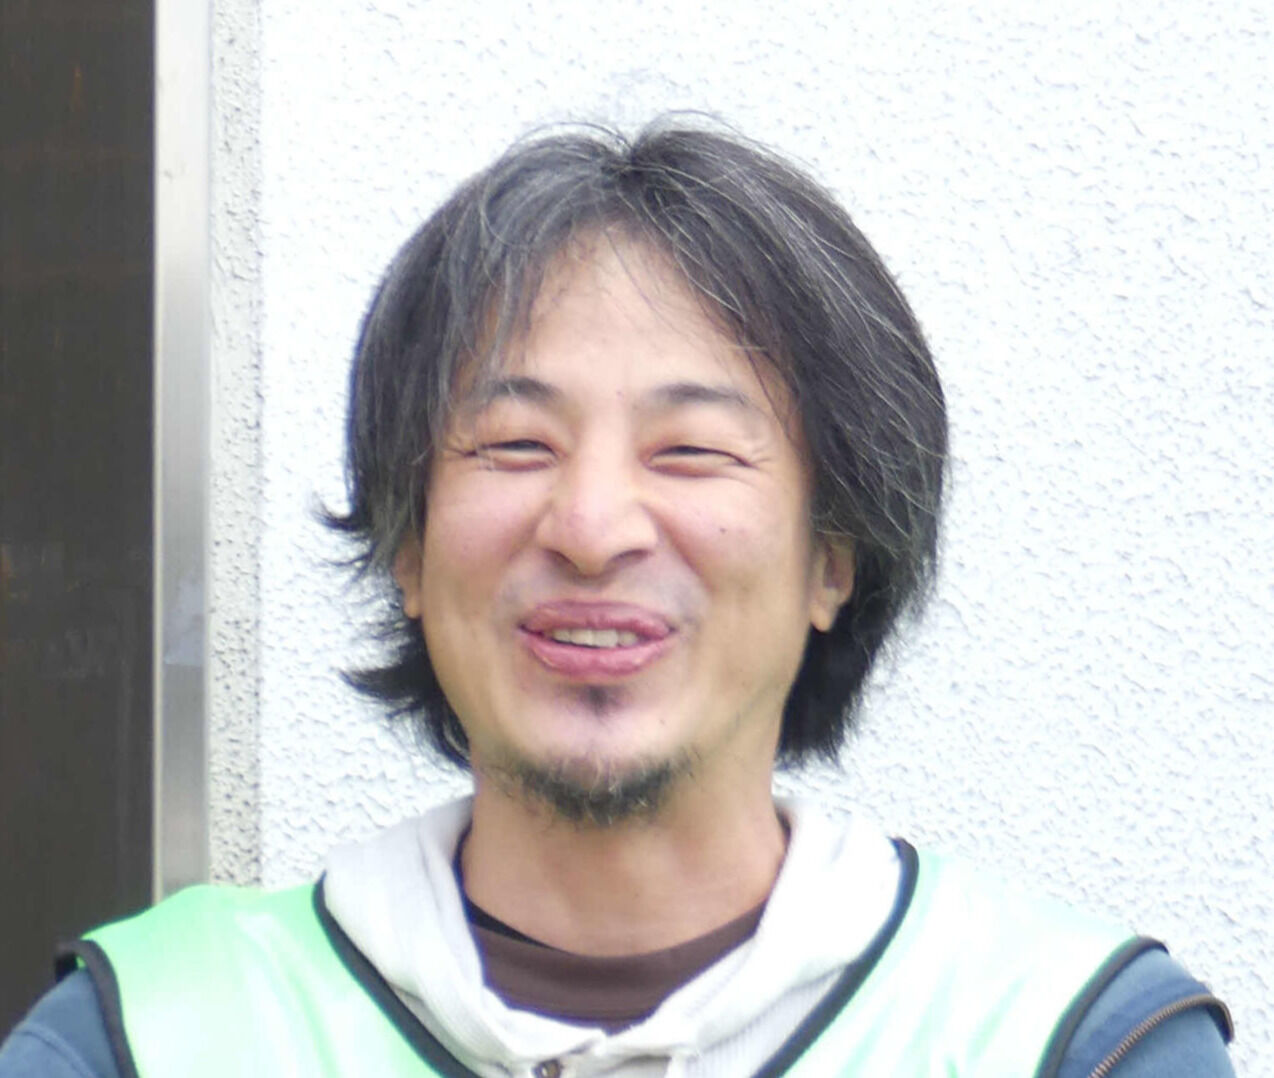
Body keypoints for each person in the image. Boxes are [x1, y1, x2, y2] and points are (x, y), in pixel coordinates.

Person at [0, 122, 1235, 1077]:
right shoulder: (145, 1037)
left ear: (833, 558)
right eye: (514, 444)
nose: (590, 528)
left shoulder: (1071, 1039)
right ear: (406, 549)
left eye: (689, 451)